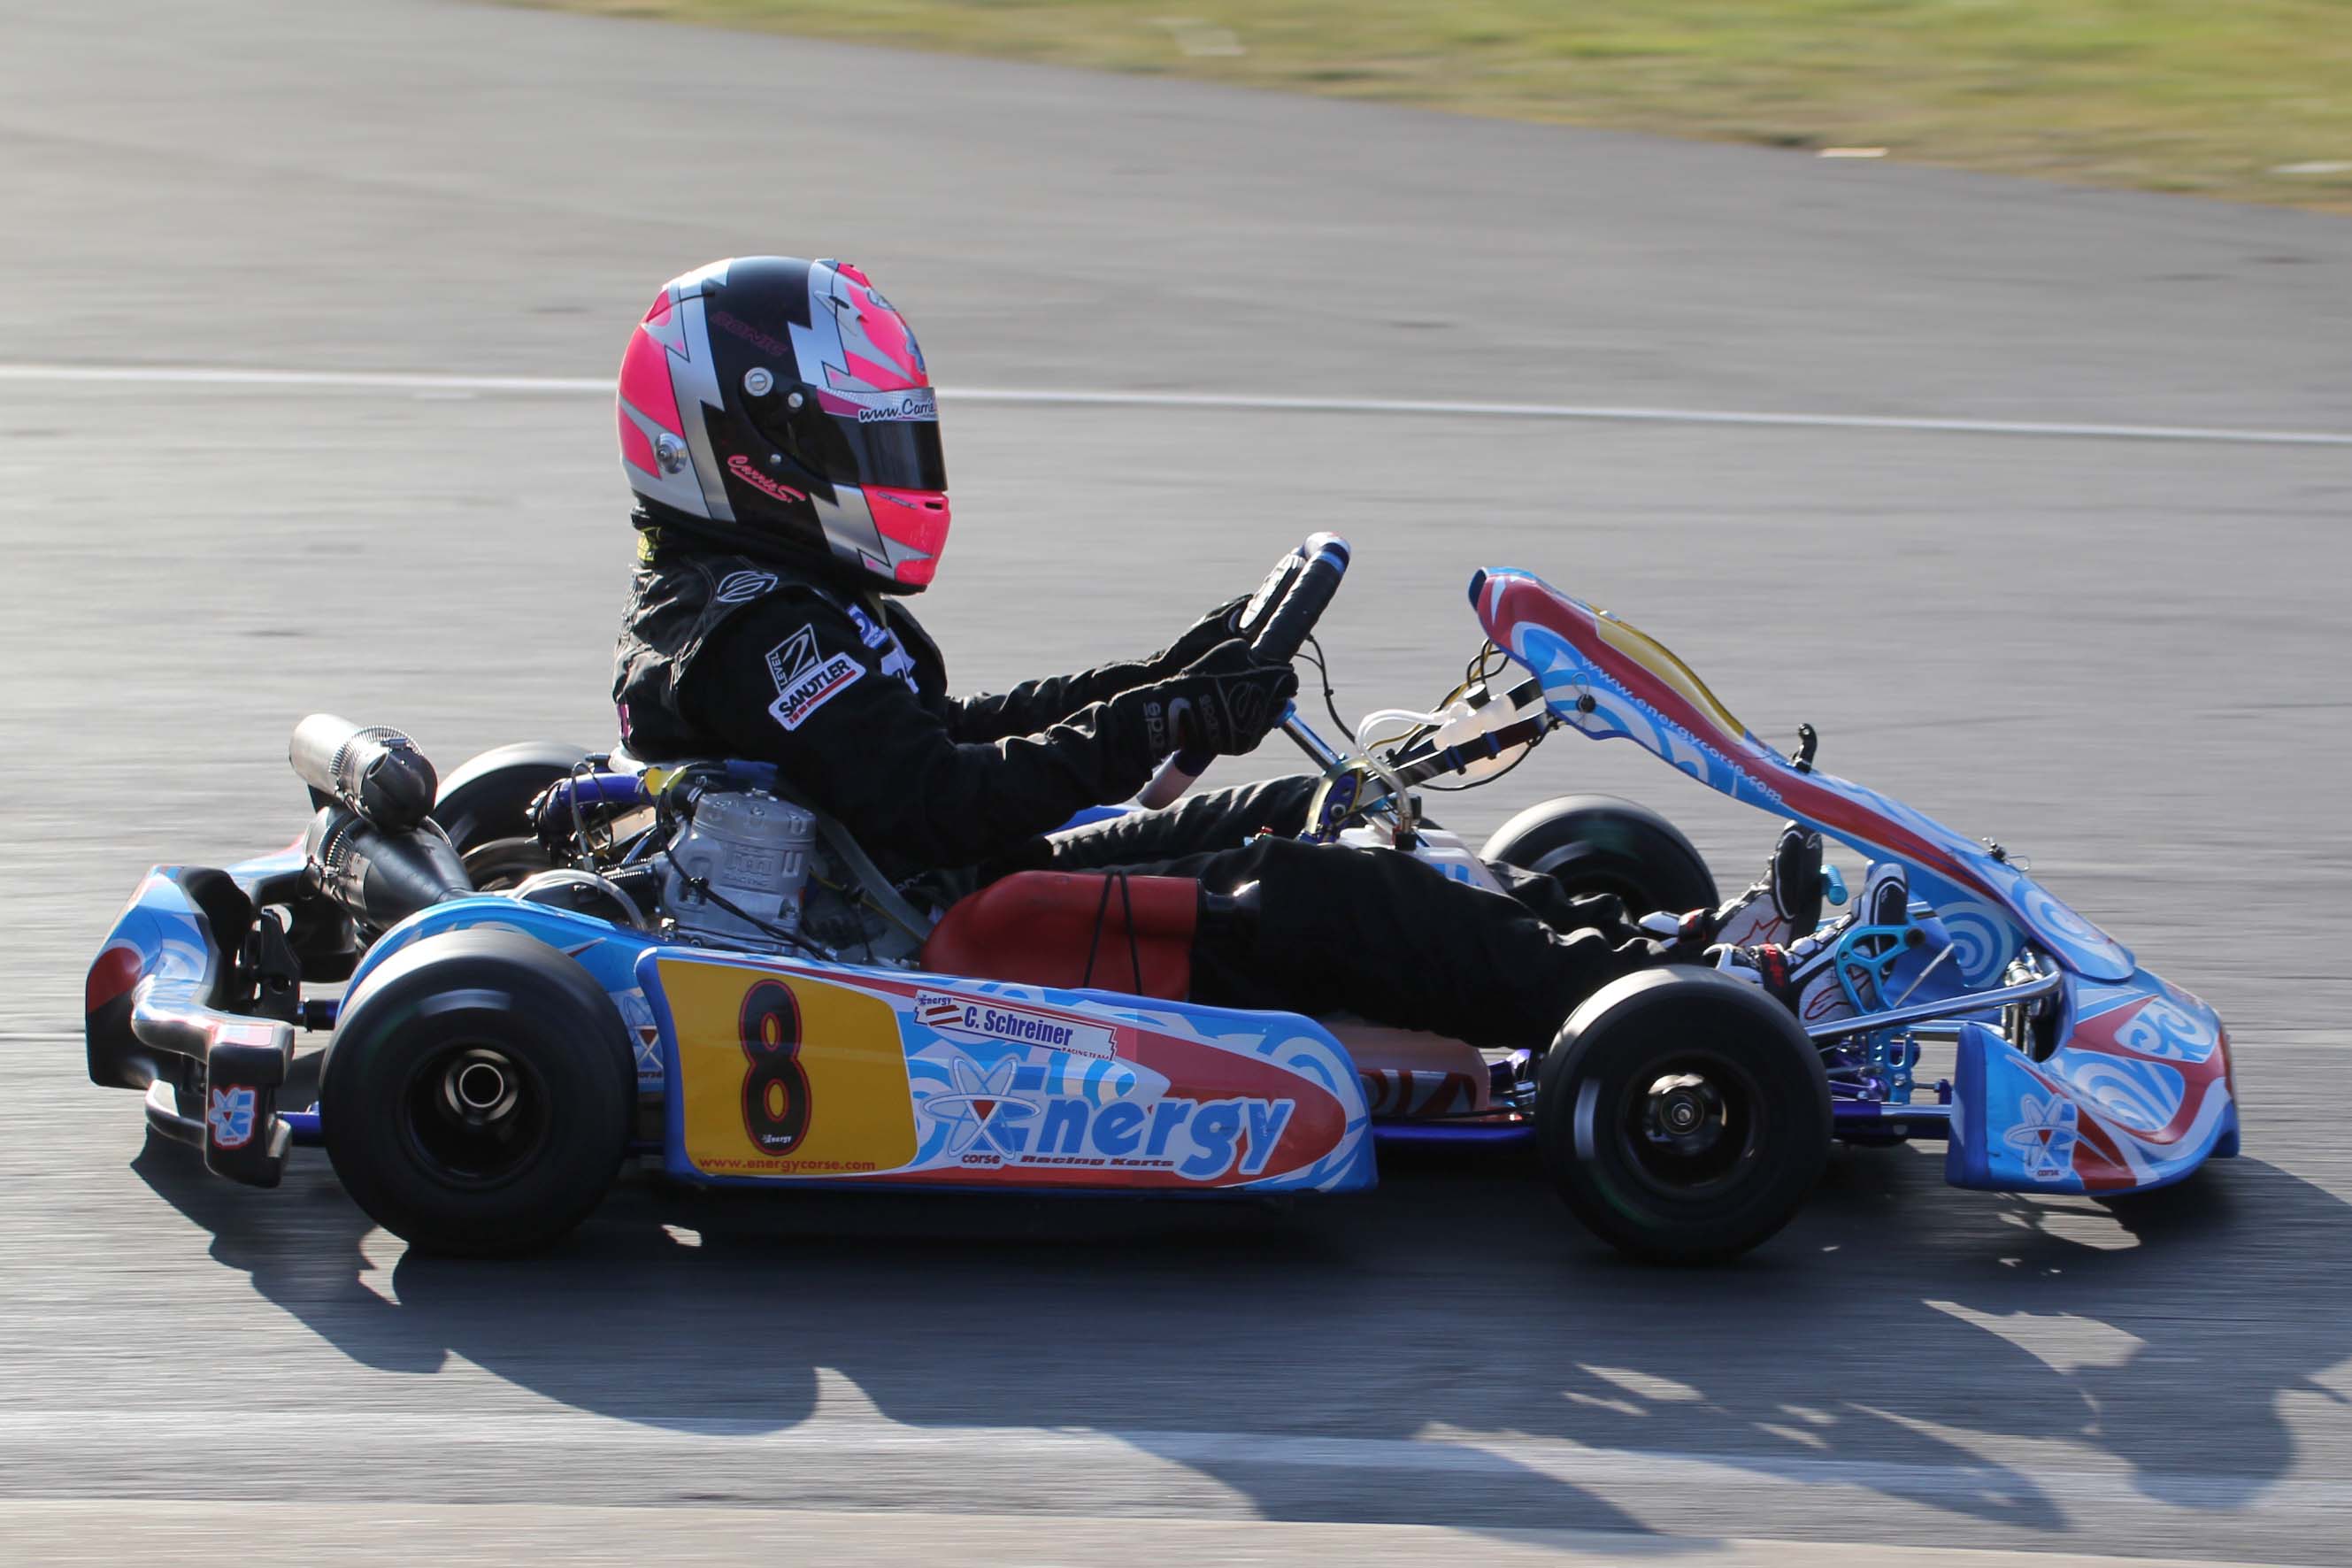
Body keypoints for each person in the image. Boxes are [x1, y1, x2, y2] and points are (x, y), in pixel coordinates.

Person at [611, 257, 1893, 1049]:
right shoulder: (752, 631)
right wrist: (1160, 723)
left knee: (1320, 805)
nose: (879, 473)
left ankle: (1673, 948)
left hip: (951, 887)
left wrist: (1171, 675)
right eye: (851, 446)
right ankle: (1699, 1008)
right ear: (747, 451)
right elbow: (941, 800)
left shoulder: (779, 596)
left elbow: (946, 734)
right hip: (934, 949)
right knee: (1314, 892)